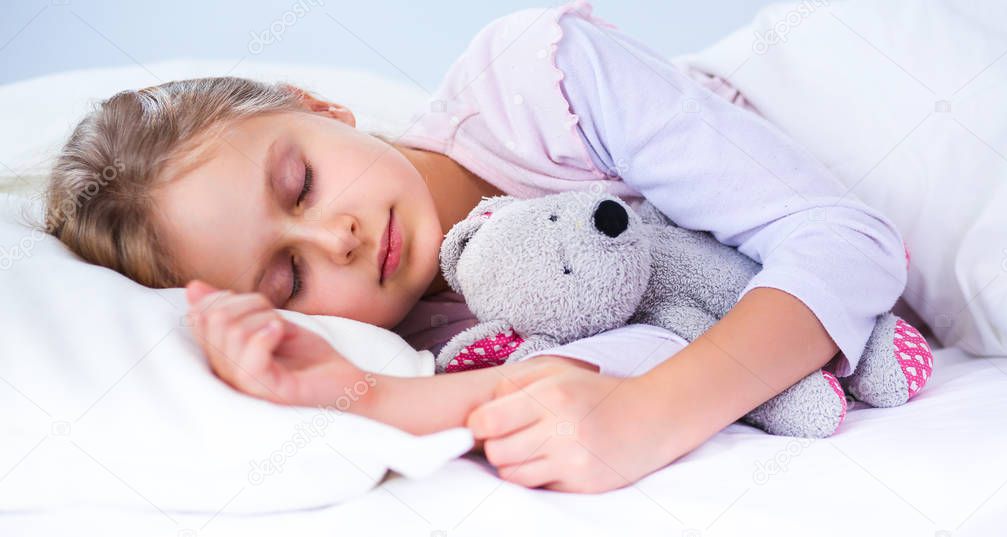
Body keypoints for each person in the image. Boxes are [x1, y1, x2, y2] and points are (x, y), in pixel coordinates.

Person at [43, 1, 908, 493]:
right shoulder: (421, 332)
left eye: (299, 183)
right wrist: (328, 384)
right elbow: (574, 380)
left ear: (320, 105)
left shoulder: (541, 83)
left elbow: (844, 241)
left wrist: (652, 417)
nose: (335, 239)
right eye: (287, 273)